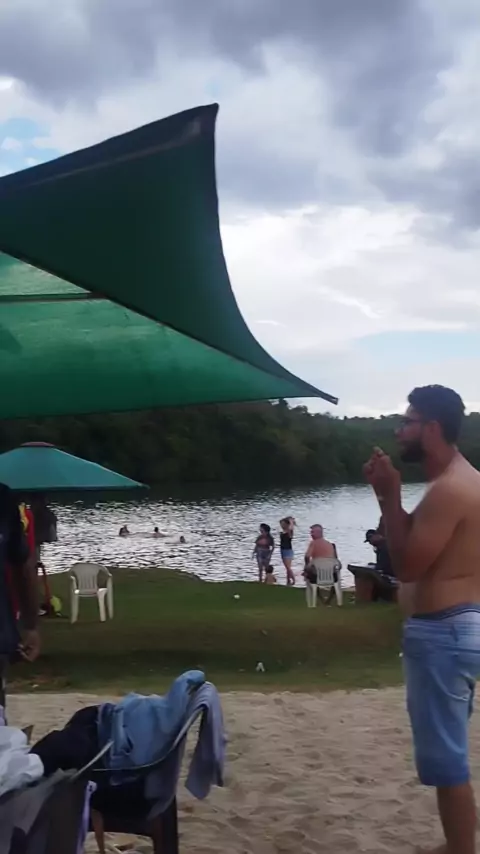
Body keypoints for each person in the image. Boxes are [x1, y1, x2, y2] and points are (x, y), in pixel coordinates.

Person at [364, 384, 480, 854]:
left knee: (448, 763)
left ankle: (461, 849)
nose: (399, 431)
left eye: (407, 422)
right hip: (458, 625)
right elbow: (417, 539)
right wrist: (388, 497)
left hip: (443, 633)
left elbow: (407, 566)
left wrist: (389, 496)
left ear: (432, 428)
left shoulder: (450, 489)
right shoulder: (461, 481)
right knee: (451, 752)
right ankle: (457, 844)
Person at [0, 483, 40, 713]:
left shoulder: (4, 500)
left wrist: (31, 625)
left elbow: (22, 567)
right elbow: (22, 568)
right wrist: (31, 626)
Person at [303, 524, 338, 604]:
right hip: (332, 575)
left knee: (308, 574)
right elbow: (335, 560)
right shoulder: (330, 544)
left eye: (313, 532)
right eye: (311, 532)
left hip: (317, 575)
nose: (311, 534)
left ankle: (320, 598)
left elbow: (307, 556)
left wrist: (306, 566)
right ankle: (329, 599)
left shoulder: (313, 543)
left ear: (319, 533)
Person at [279, 517, 295, 586]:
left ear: (286, 524)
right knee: (287, 568)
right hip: (283, 550)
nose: (281, 525)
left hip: (287, 550)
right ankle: (288, 581)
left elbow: (291, 528)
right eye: (281, 524)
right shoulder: (283, 532)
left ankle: (293, 580)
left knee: (288, 567)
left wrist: (291, 521)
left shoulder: (289, 532)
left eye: (283, 524)